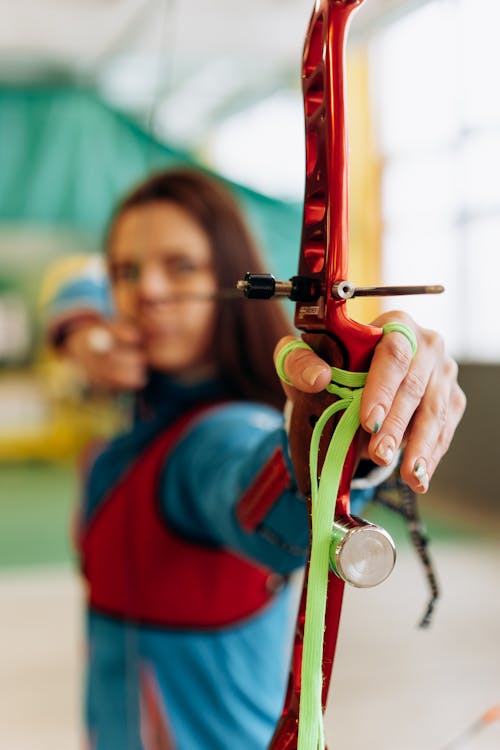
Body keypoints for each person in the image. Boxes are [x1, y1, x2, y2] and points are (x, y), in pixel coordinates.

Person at [43, 167, 465, 750]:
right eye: (125, 272)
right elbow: (74, 285)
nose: (147, 292)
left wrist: (345, 419)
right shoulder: (143, 403)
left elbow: (267, 496)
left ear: (235, 276)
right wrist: (80, 330)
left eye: (181, 266)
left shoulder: (215, 436)